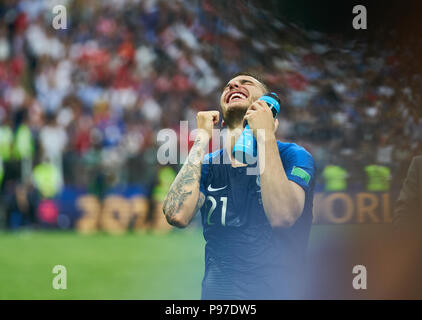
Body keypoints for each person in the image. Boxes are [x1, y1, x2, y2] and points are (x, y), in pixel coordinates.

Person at [163, 72, 315, 299]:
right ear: (222, 120)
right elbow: (176, 214)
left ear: (269, 112)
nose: (234, 84)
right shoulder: (208, 165)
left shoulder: (293, 156)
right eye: (229, 85)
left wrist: (264, 134)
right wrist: (202, 139)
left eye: (247, 83)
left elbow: (283, 216)